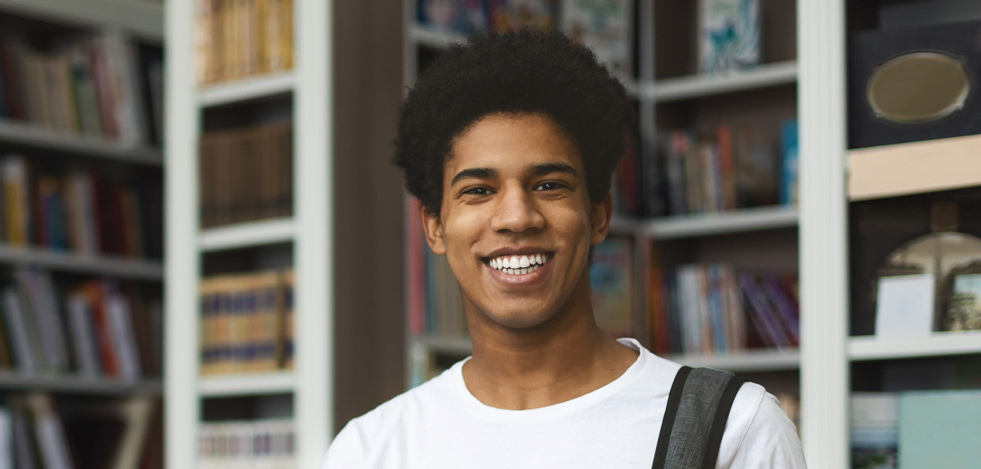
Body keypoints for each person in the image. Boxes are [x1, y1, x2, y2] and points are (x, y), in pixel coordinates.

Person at [321, 30, 806, 468]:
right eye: (479, 190)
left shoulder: (733, 430)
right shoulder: (372, 450)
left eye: (549, 184)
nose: (516, 217)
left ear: (598, 215)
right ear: (435, 227)